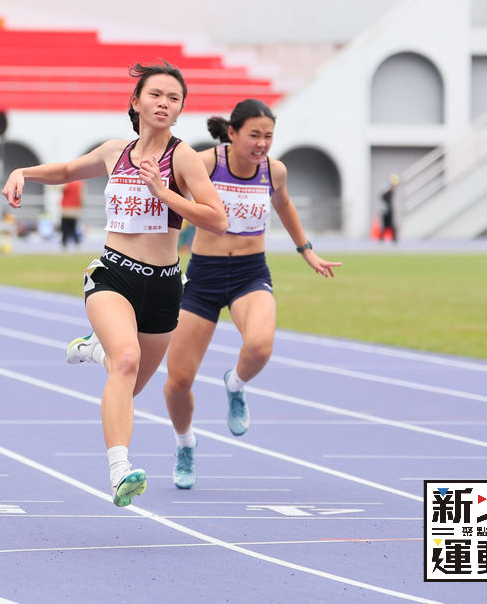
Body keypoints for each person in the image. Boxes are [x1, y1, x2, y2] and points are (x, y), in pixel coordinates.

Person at [68, 99, 340, 491]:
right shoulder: (205, 163)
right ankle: (185, 444)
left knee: (260, 345)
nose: (262, 144)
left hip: (250, 273)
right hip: (203, 278)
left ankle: (236, 384)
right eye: (254, 135)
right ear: (232, 133)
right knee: (178, 382)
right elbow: (174, 198)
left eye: (269, 136)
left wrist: (306, 249)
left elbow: (284, 205)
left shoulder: (274, 171)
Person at [2, 62, 226, 507]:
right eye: (156, 94)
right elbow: (66, 170)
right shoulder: (114, 152)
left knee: (128, 383)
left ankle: (94, 349)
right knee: (126, 361)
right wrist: (23, 172)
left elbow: (217, 220)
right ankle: (120, 471)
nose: (163, 103)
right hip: (113, 274)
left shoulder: (183, 157)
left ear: (181, 109)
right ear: (136, 101)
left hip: (164, 286)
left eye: (174, 98)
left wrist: (165, 193)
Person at [59, 179, 83, 250]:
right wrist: (80, 206)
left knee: (64, 228)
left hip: (66, 209)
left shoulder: (67, 182)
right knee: (73, 228)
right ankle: (77, 243)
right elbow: (81, 196)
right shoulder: (79, 183)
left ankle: (64, 244)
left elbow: (57, 188)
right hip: (75, 208)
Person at [380, 174, 399, 243]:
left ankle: (393, 238)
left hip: (389, 210)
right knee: (386, 225)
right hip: (386, 210)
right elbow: (384, 199)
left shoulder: (391, 192)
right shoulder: (387, 192)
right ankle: (383, 238)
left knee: (390, 224)